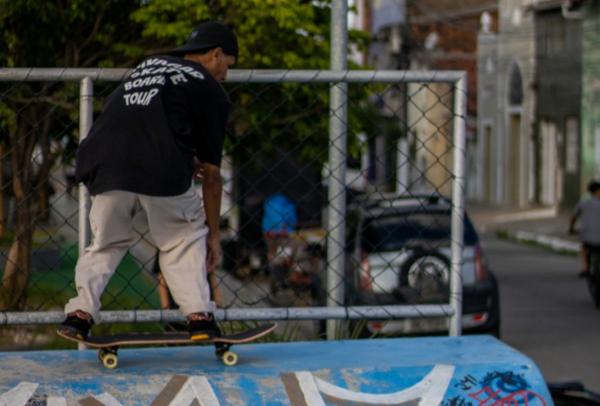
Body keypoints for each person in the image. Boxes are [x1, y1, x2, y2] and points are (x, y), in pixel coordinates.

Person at [57, 21, 238, 341]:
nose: (225, 75)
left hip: (105, 163)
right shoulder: (211, 89)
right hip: (161, 169)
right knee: (183, 238)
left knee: (105, 244)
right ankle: (199, 317)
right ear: (215, 54)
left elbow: (140, 120)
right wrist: (212, 234)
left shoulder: (147, 66)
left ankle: (79, 313)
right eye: (228, 65)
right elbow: (211, 176)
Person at [569, 180, 600, 278]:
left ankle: (585, 268)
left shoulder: (583, 203)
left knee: (584, 247)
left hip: (587, 237)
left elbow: (574, 217)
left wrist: (571, 229)